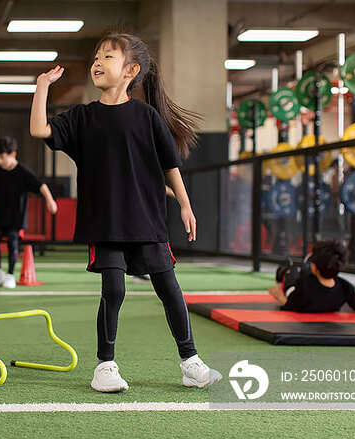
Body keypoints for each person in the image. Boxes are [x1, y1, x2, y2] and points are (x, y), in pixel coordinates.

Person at [30, 33, 221, 393]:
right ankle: (105, 365)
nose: (98, 62)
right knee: (113, 290)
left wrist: (185, 203)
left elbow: (170, 164)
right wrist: (42, 87)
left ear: (131, 70)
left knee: (169, 289)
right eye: (97, 57)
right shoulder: (83, 117)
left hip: (147, 220)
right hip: (105, 222)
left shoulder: (147, 116)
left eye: (108, 57)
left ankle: (190, 361)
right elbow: (39, 129)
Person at [0, 136, 57, 288]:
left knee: (13, 244)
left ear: (13, 154)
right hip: (1, 218)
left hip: (17, 220)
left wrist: (50, 200)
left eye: (2, 157)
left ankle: (10, 275)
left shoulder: (23, 172)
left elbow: (40, 185)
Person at [268, 241, 355, 313]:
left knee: (292, 274)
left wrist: (279, 296)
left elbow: (289, 306)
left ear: (314, 267)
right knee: (307, 276)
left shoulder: (304, 285)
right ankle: (305, 268)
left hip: (294, 291)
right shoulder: (347, 288)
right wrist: (354, 299)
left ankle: (285, 270)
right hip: (313, 281)